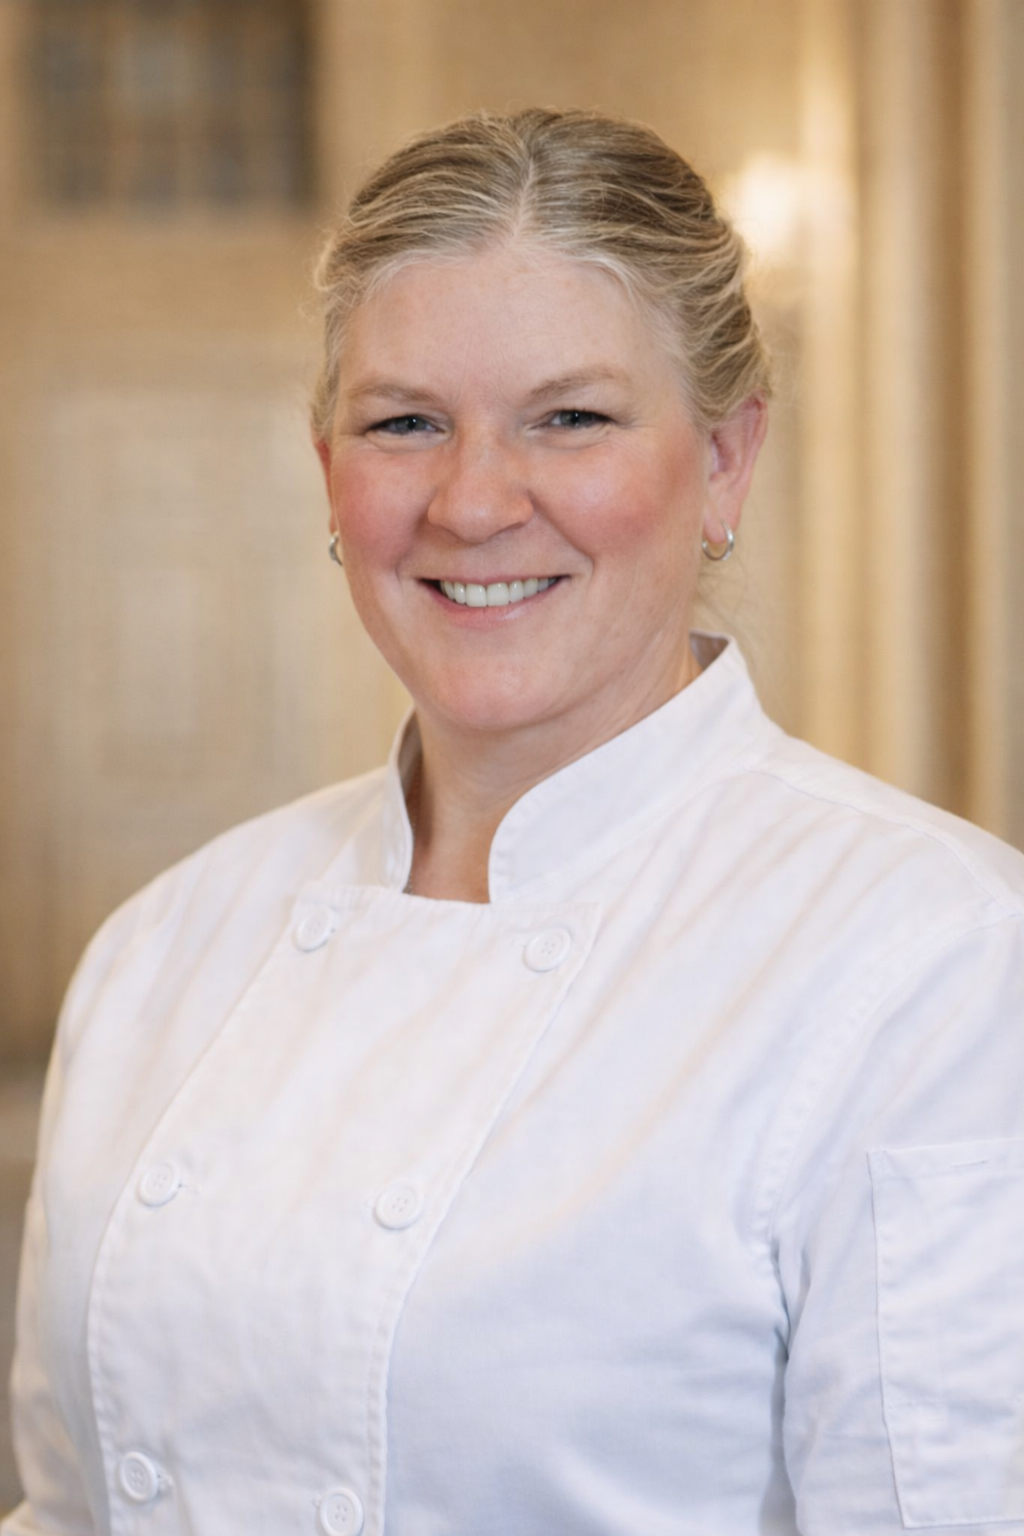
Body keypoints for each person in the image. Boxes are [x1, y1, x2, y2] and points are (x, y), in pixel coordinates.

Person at [5, 107, 1023, 1536]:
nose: (474, 502)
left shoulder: (933, 960)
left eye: (572, 418)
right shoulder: (167, 943)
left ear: (727, 459)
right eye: (404, 423)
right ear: (328, 471)